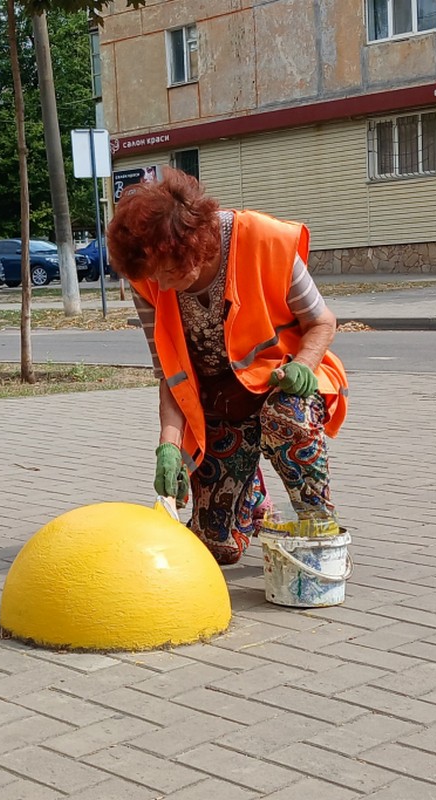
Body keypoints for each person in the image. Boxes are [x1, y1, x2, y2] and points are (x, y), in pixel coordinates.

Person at [106, 168, 348, 565]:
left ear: (196, 245)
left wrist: (304, 365)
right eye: (152, 276)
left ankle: (317, 524)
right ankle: (250, 501)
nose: (161, 287)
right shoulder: (150, 280)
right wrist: (169, 443)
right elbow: (170, 372)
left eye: (168, 271)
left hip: (283, 388)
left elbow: (322, 320)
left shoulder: (263, 241)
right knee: (216, 548)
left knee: (287, 419)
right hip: (222, 403)